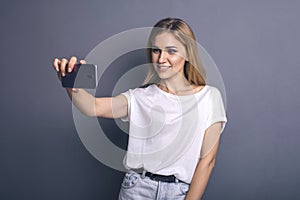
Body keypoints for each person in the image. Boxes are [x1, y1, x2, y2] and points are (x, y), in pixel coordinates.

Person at [53, 18, 227, 200]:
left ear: (188, 54)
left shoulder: (209, 97)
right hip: (137, 190)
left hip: (179, 193)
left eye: (171, 51)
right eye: (156, 50)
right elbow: (92, 107)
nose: (161, 59)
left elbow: (207, 161)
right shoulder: (141, 97)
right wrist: (71, 85)